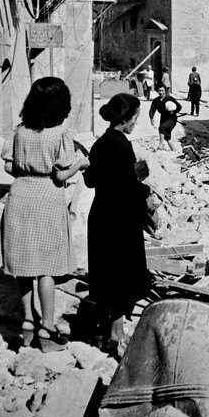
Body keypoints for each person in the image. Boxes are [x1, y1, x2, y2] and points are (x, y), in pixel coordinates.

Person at [1, 77, 89, 352]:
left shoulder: (19, 131)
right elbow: (61, 174)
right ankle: (47, 329)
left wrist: (27, 169)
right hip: (47, 197)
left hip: (19, 196)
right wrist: (81, 163)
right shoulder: (60, 133)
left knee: (23, 266)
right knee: (46, 268)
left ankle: (28, 322)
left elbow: (8, 167)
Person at [84, 93, 152, 350]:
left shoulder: (100, 143)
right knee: (122, 274)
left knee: (105, 272)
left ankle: (107, 329)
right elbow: (128, 187)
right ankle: (117, 332)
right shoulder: (122, 146)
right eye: (135, 118)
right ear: (125, 119)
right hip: (121, 218)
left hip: (101, 214)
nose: (136, 123)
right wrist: (147, 194)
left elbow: (90, 180)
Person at [149, 85, 184, 154]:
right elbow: (152, 110)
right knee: (167, 137)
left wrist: (173, 111)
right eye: (159, 91)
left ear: (165, 91)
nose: (161, 92)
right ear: (157, 91)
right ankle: (175, 151)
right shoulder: (156, 100)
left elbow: (179, 107)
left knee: (162, 128)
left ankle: (160, 146)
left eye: (162, 90)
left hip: (171, 118)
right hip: (163, 118)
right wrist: (151, 118)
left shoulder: (170, 98)